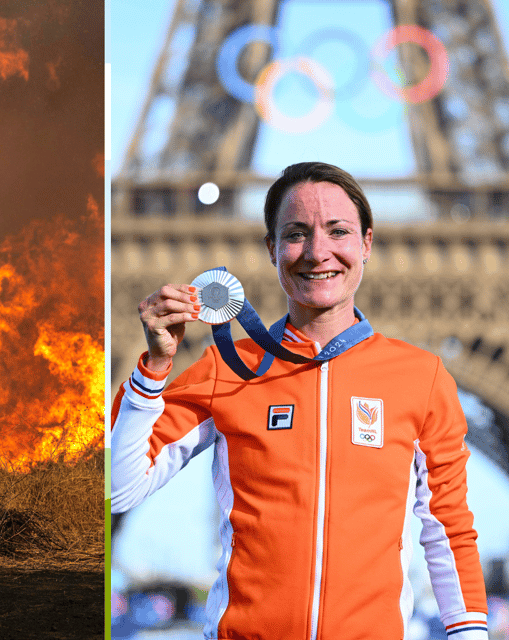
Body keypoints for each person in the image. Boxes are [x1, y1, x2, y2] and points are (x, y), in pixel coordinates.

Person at [110, 162, 488, 639]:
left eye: (338, 231)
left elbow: (447, 527)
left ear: (366, 243)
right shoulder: (226, 368)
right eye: (296, 234)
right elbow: (118, 489)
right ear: (272, 249)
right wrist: (154, 368)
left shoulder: (421, 377)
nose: (317, 251)